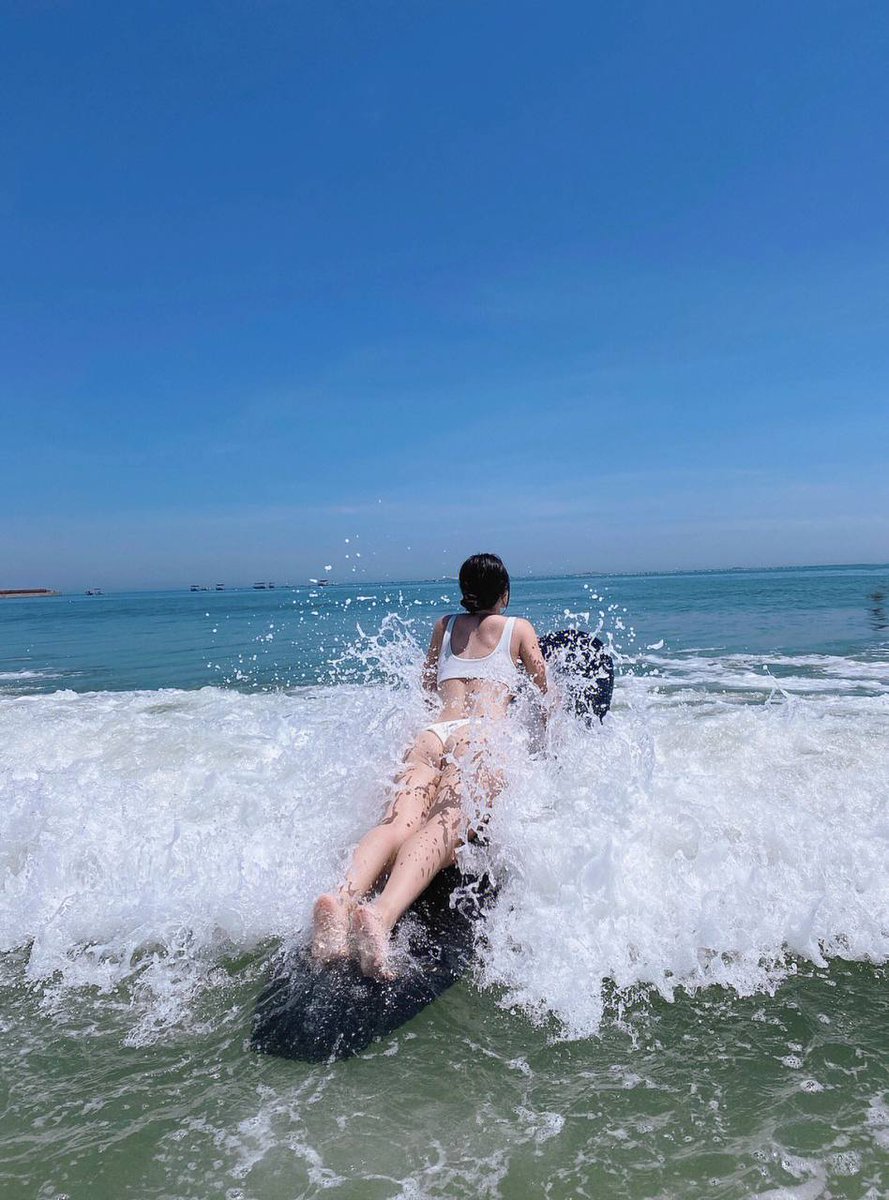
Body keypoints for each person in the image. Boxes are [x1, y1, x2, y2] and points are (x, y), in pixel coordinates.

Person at [310, 552, 548, 978]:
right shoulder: (519, 628)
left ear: (464, 592)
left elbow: (425, 688)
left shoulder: (445, 625)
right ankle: (380, 917)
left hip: (432, 734)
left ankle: (341, 900)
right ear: (505, 595)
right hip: (479, 735)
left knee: (397, 824)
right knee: (446, 821)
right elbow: (547, 694)